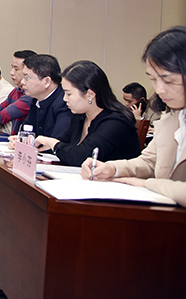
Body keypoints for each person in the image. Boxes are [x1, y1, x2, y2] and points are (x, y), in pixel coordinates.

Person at [81, 26, 186, 206]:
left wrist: (148, 184)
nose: (159, 89)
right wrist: (112, 168)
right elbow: (149, 162)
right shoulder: (173, 116)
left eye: (168, 80)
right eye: (153, 79)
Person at [34, 61, 140, 166]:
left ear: (90, 94)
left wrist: (52, 144)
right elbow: (64, 144)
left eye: (69, 94)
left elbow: (81, 157)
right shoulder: (80, 116)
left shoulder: (116, 122)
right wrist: (43, 145)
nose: (64, 99)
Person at [20, 54, 73, 139]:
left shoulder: (64, 104)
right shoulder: (36, 100)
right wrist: (19, 139)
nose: (22, 82)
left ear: (47, 82)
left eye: (27, 78)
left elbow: (58, 141)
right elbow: (26, 131)